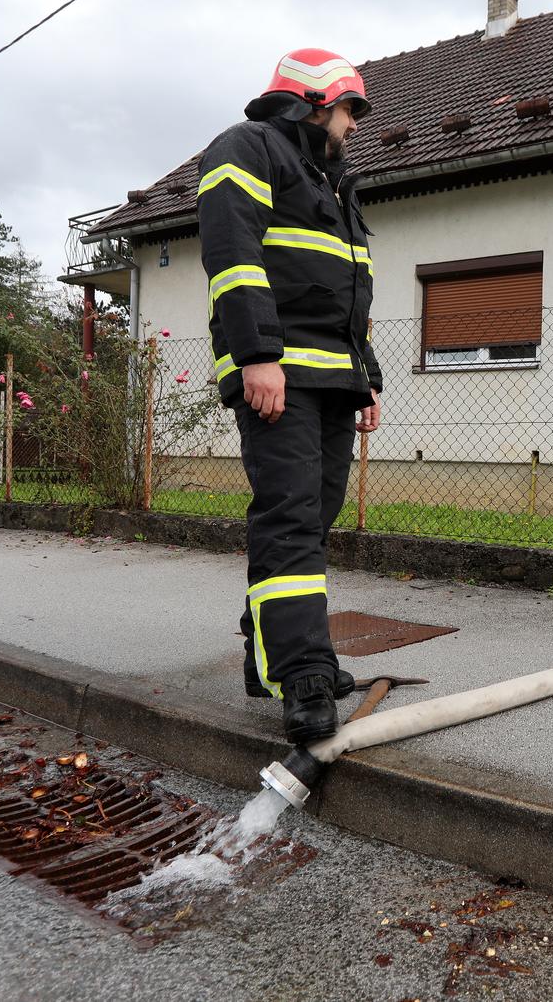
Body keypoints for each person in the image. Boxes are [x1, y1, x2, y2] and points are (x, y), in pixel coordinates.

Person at [198, 49, 383, 744]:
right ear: (313, 99)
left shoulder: (336, 182)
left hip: (335, 376)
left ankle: (265, 648)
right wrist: (257, 356)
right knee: (291, 515)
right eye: (350, 109)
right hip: (280, 374)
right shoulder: (248, 148)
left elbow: (354, 290)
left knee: (314, 515)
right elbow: (233, 253)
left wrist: (368, 377)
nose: (356, 125)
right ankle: (302, 673)